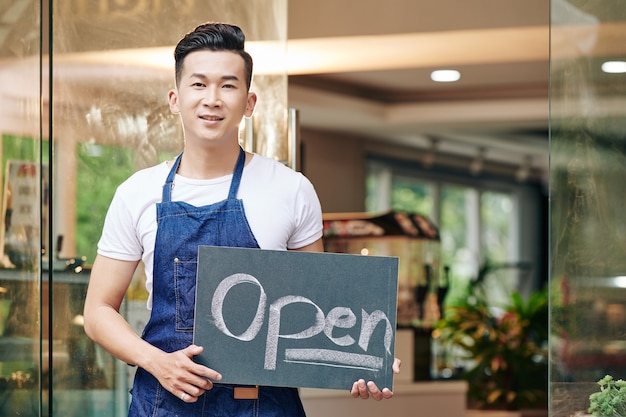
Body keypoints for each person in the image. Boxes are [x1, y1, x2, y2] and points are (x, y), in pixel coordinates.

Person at [83, 22, 400, 416]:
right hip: (164, 403)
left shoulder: (290, 189)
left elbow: (323, 314)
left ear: (249, 103)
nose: (212, 99)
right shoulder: (137, 192)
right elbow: (97, 312)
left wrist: (361, 358)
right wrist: (157, 362)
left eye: (228, 86)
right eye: (198, 85)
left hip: (264, 406)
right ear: (175, 99)